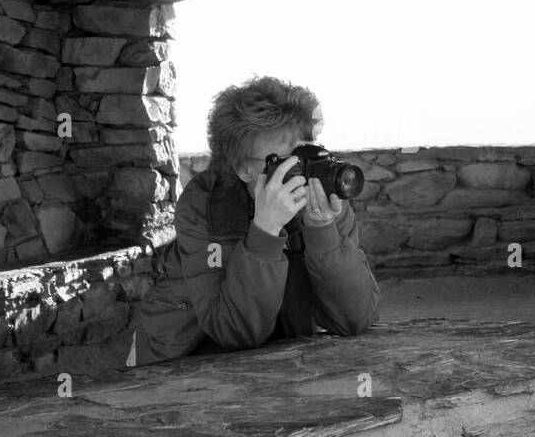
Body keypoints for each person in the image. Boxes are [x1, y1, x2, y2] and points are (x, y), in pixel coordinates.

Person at [131, 76, 381, 363]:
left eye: (306, 152)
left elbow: (355, 319)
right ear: (244, 170)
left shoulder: (323, 197)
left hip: (277, 351)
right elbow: (236, 333)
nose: (303, 169)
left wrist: (323, 231)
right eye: (286, 161)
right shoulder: (205, 206)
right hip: (184, 356)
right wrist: (265, 231)